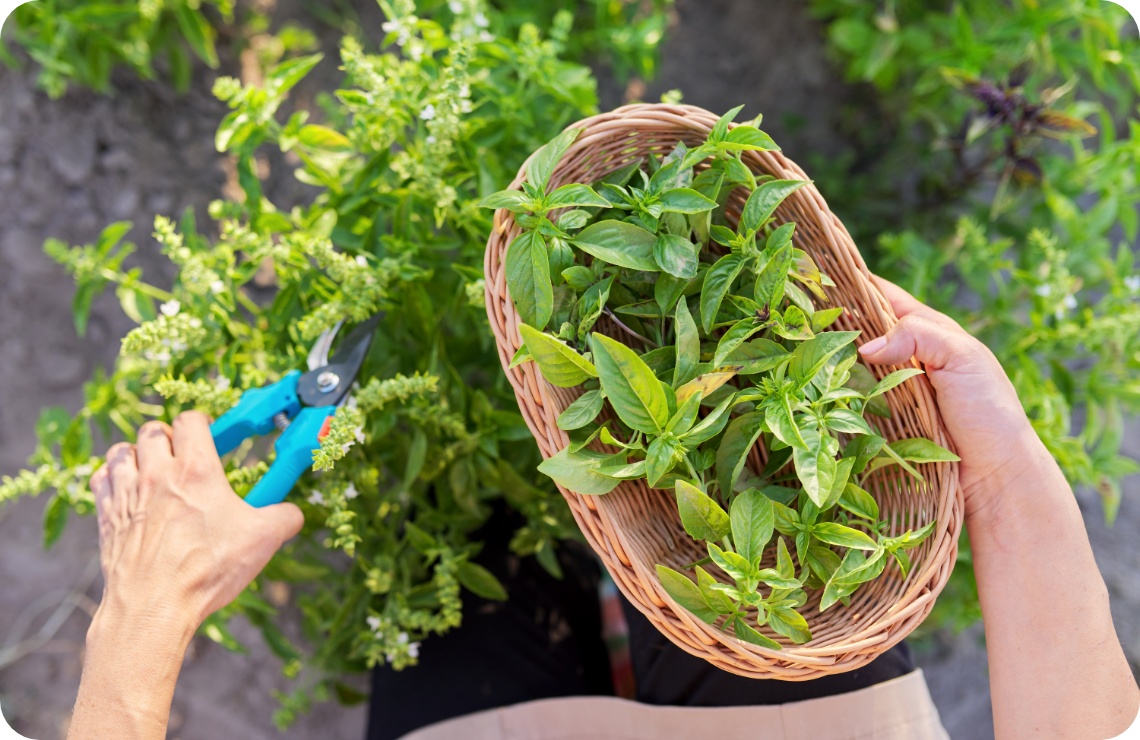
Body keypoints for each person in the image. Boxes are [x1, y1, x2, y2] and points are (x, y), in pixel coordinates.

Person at [68, 277, 1139, 740]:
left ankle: (496, 469)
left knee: (476, 537)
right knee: (690, 499)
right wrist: (997, 467)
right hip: (824, 718)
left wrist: (142, 617)